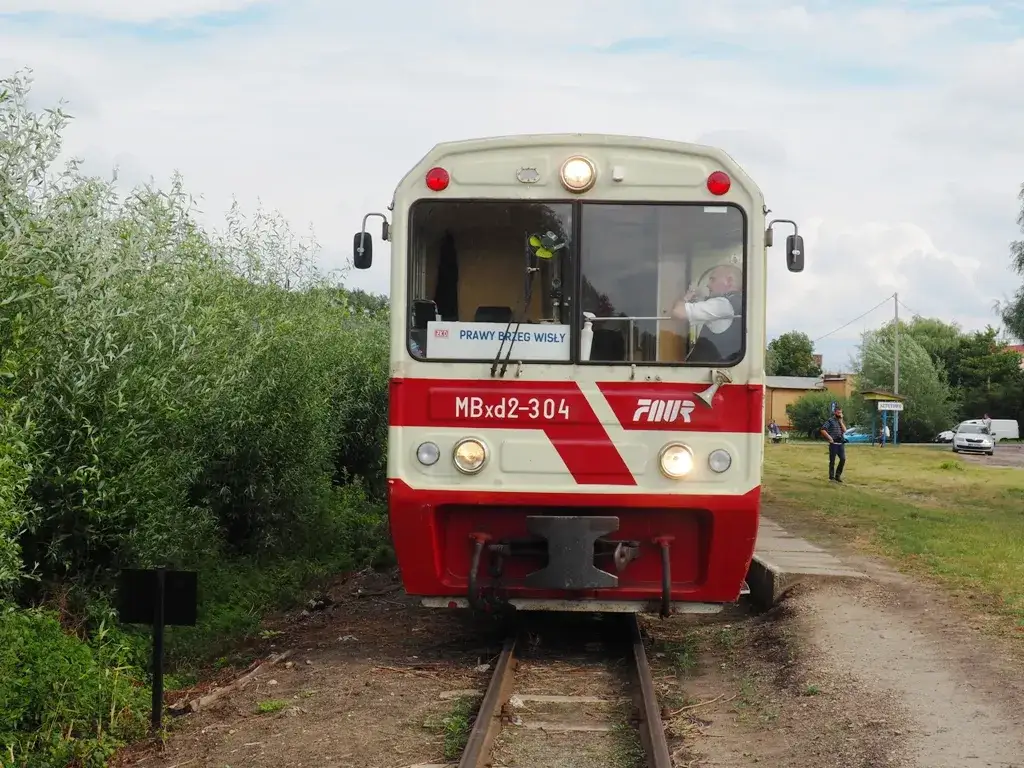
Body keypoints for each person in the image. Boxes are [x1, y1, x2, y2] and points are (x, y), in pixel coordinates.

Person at [670, 262, 743, 364]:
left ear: (729, 281)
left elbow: (678, 313)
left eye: (713, 279)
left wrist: (686, 298)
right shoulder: (738, 302)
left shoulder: (722, 304)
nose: (708, 285)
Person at [819, 406, 847, 483]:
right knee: (832, 461)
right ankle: (831, 477)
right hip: (833, 443)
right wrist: (829, 438)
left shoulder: (840, 421)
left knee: (843, 459)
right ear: (835, 412)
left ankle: (838, 476)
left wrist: (841, 422)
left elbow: (845, 430)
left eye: (841, 412)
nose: (840, 414)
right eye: (838, 412)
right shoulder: (830, 420)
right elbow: (823, 430)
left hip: (840, 443)